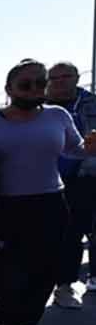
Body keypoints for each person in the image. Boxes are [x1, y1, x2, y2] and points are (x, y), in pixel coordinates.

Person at [0, 59, 96, 325]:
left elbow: (75, 150)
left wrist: (90, 147)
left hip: (49, 203)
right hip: (0, 204)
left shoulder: (57, 116)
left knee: (43, 267)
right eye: (26, 84)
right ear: (9, 89)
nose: (35, 89)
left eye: (40, 83)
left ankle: (10, 321)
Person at [47, 61, 96, 306]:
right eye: (54, 78)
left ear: (77, 78)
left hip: (82, 177)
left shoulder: (91, 103)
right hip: (40, 176)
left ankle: (64, 287)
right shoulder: (36, 105)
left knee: (73, 232)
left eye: (66, 76)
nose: (60, 82)